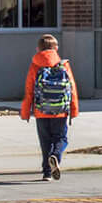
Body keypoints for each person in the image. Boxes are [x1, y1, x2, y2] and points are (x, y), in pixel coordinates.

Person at [18, 34, 76, 181]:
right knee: (61, 138)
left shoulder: (35, 65)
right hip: (60, 111)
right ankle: (55, 156)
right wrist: (74, 110)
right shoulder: (63, 65)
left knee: (45, 141)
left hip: (41, 111)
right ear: (56, 48)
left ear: (38, 48)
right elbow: (72, 89)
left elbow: (29, 89)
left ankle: (47, 173)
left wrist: (25, 112)